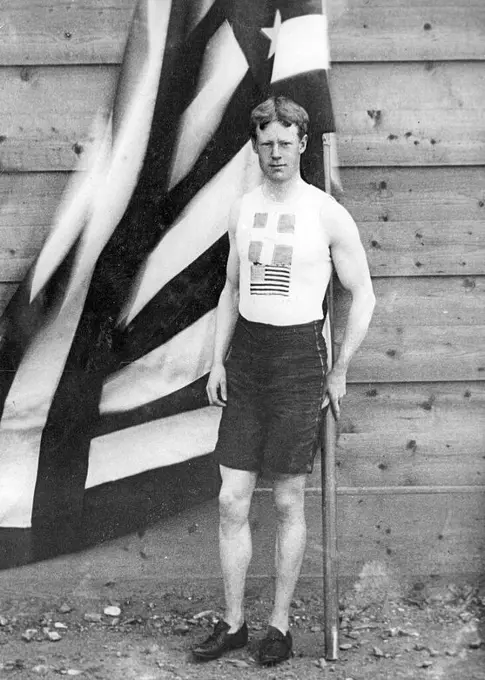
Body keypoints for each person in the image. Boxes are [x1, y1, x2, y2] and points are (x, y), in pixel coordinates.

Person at [192, 96, 375, 665]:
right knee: (231, 499)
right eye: (265, 142)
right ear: (255, 146)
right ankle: (233, 623)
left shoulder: (326, 213)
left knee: (290, 500)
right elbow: (230, 289)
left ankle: (279, 626)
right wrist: (219, 360)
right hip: (248, 357)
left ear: (302, 143)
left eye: (285, 141)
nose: (275, 152)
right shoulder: (242, 209)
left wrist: (340, 368)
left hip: (300, 360)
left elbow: (362, 291)